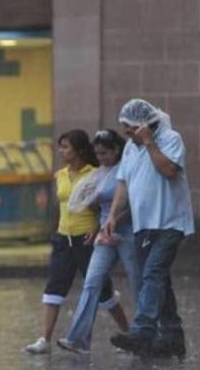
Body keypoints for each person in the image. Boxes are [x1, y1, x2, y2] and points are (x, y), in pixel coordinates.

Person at [24, 129, 129, 355]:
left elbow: (100, 207)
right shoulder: (59, 175)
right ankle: (45, 339)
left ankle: (128, 331)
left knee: (102, 290)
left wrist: (95, 227)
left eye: (66, 147)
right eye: (60, 146)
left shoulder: (96, 174)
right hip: (63, 238)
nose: (61, 151)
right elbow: (61, 206)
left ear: (79, 150)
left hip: (87, 239)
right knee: (54, 287)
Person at [106, 99, 195, 358]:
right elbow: (122, 183)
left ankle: (143, 331)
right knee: (160, 280)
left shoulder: (170, 139)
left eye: (131, 129)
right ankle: (172, 337)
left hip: (170, 222)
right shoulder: (130, 149)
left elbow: (168, 170)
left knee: (153, 275)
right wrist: (112, 215)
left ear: (145, 126)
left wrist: (149, 142)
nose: (128, 135)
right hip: (143, 224)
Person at [57, 129, 139, 355]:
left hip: (127, 231)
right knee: (92, 281)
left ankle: (145, 331)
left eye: (105, 153)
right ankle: (78, 338)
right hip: (105, 233)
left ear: (116, 150)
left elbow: (134, 205)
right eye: (98, 154)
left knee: (137, 281)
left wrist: (113, 221)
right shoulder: (100, 173)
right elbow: (95, 203)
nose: (101, 158)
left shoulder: (128, 170)